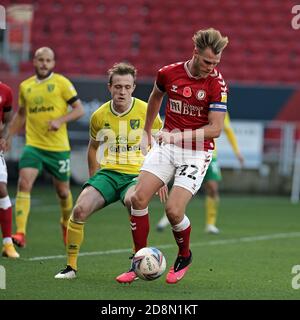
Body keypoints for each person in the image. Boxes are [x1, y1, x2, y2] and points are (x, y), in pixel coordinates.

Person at [116, 27, 229, 284]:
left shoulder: (217, 85)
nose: (211, 67)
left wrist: (176, 135)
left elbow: (216, 129)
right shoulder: (168, 73)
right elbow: (155, 96)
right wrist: (147, 131)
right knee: (137, 198)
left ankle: (184, 255)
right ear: (195, 52)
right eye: (207, 61)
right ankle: (137, 260)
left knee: (174, 212)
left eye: (216, 62)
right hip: (167, 145)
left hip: (197, 152)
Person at [54, 62, 162, 279]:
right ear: (109, 87)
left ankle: (138, 259)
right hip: (109, 174)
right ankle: (71, 267)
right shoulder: (99, 116)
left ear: (133, 87)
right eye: (118, 87)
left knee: (134, 201)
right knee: (79, 210)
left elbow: (159, 145)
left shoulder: (145, 110)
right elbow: (93, 148)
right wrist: (95, 179)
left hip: (136, 175)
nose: (122, 91)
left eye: (127, 87)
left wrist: (158, 178)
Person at [8, 47, 84, 248]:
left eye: (48, 60)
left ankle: (65, 224)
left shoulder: (61, 83)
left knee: (63, 192)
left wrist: (60, 120)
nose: (44, 63)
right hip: (33, 146)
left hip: (58, 148)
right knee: (24, 184)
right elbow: (22, 114)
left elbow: (79, 110)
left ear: (53, 63)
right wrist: (7, 135)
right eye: (40, 59)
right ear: (34, 61)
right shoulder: (26, 86)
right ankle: (21, 232)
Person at [156, 112, 244, 234]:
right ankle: (167, 218)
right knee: (182, 187)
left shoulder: (220, 110)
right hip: (190, 152)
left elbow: (228, 131)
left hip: (210, 154)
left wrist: (237, 152)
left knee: (213, 188)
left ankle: (210, 224)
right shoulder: (194, 106)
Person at [0, 82, 20, 258]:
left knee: (1, 189)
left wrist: (5, 138)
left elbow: (7, 122)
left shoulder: (5, 91)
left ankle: (7, 243)